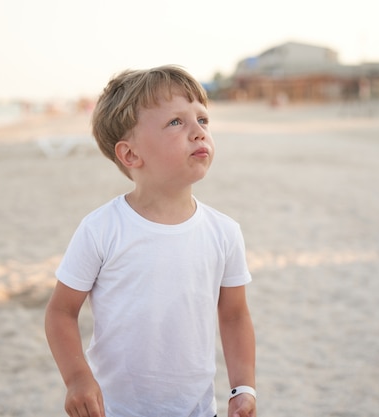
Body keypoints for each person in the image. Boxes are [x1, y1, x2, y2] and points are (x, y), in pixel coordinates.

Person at [45, 65, 256, 417]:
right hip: (117, 410)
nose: (198, 132)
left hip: (199, 410)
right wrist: (78, 378)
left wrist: (243, 388)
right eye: (176, 122)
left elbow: (234, 316)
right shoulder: (102, 229)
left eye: (202, 120)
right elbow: (61, 312)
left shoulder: (224, 232)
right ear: (130, 155)